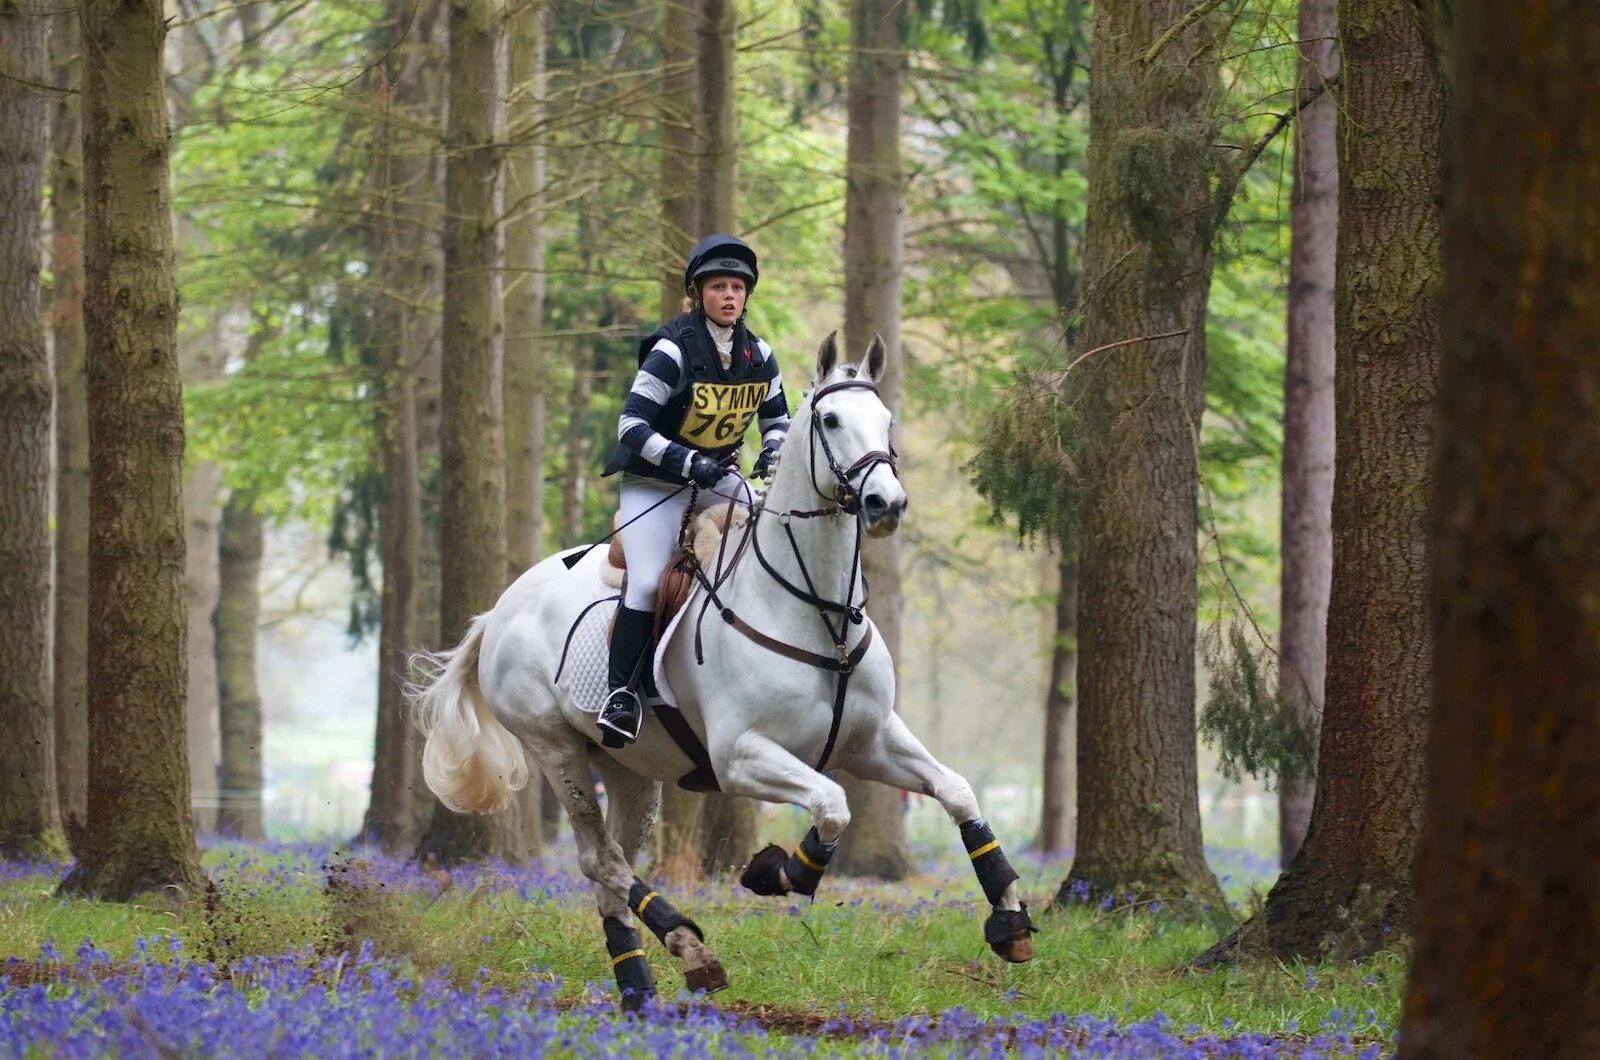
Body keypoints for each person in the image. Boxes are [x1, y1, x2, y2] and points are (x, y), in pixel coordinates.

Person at [594, 234, 790, 746]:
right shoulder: (671, 349)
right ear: (699, 293)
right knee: (644, 584)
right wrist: (687, 461)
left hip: (716, 479)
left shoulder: (759, 354)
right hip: (655, 482)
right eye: (718, 286)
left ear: (747, 295)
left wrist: (772, 452)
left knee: (774, 537)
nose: (729, 295)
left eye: (737, 287)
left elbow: (778, 421)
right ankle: (622, 696)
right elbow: (630, 426)